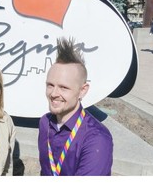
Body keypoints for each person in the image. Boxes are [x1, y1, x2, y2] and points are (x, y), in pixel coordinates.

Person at [38, 37, 113, 176]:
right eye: (50, 85)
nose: (54, 93)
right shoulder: (45, 123)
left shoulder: (97, 139)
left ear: (82, 91)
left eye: (64, 87)